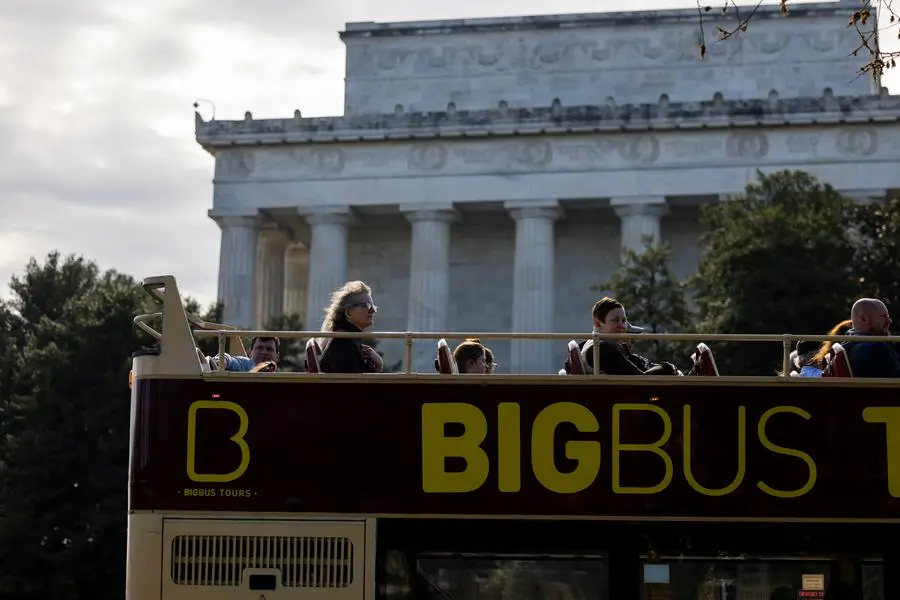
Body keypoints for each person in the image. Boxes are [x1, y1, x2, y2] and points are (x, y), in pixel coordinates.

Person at [580, 297, 679, 375]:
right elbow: (640, 379)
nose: (622, 326)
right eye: (615, 320)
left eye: (623, 321)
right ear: (598, 324)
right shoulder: (602, 349)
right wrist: (668, 367)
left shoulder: (597, 345)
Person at [318, 281, 384, 374]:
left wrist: (378, 365)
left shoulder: (349, 338)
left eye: (372, 306)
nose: (373, 310)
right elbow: (352, 386)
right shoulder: (343, 341)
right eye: (366, 305)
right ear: (349, 313)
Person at [841, 298, 900, 378]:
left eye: (888, 316)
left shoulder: (849, 341)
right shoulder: (876, 348)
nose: (889, 321)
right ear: (864, 318)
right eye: (883, 316)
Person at [208, 336, 280, 372]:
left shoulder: (282, 380)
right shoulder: (247, 365)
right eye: (259, 348)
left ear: (277, 356)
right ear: (250, 352)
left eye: (269, 349)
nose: (264, 352)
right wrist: (221, 361)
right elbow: (232, 361)